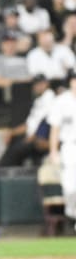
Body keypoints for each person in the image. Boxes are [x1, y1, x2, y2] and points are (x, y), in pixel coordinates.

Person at [48, 70, 76, 222]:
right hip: (70, 146)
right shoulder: (61, 101)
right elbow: (55, 128)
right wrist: (53, 151)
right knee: (70, 187)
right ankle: (72, 213)